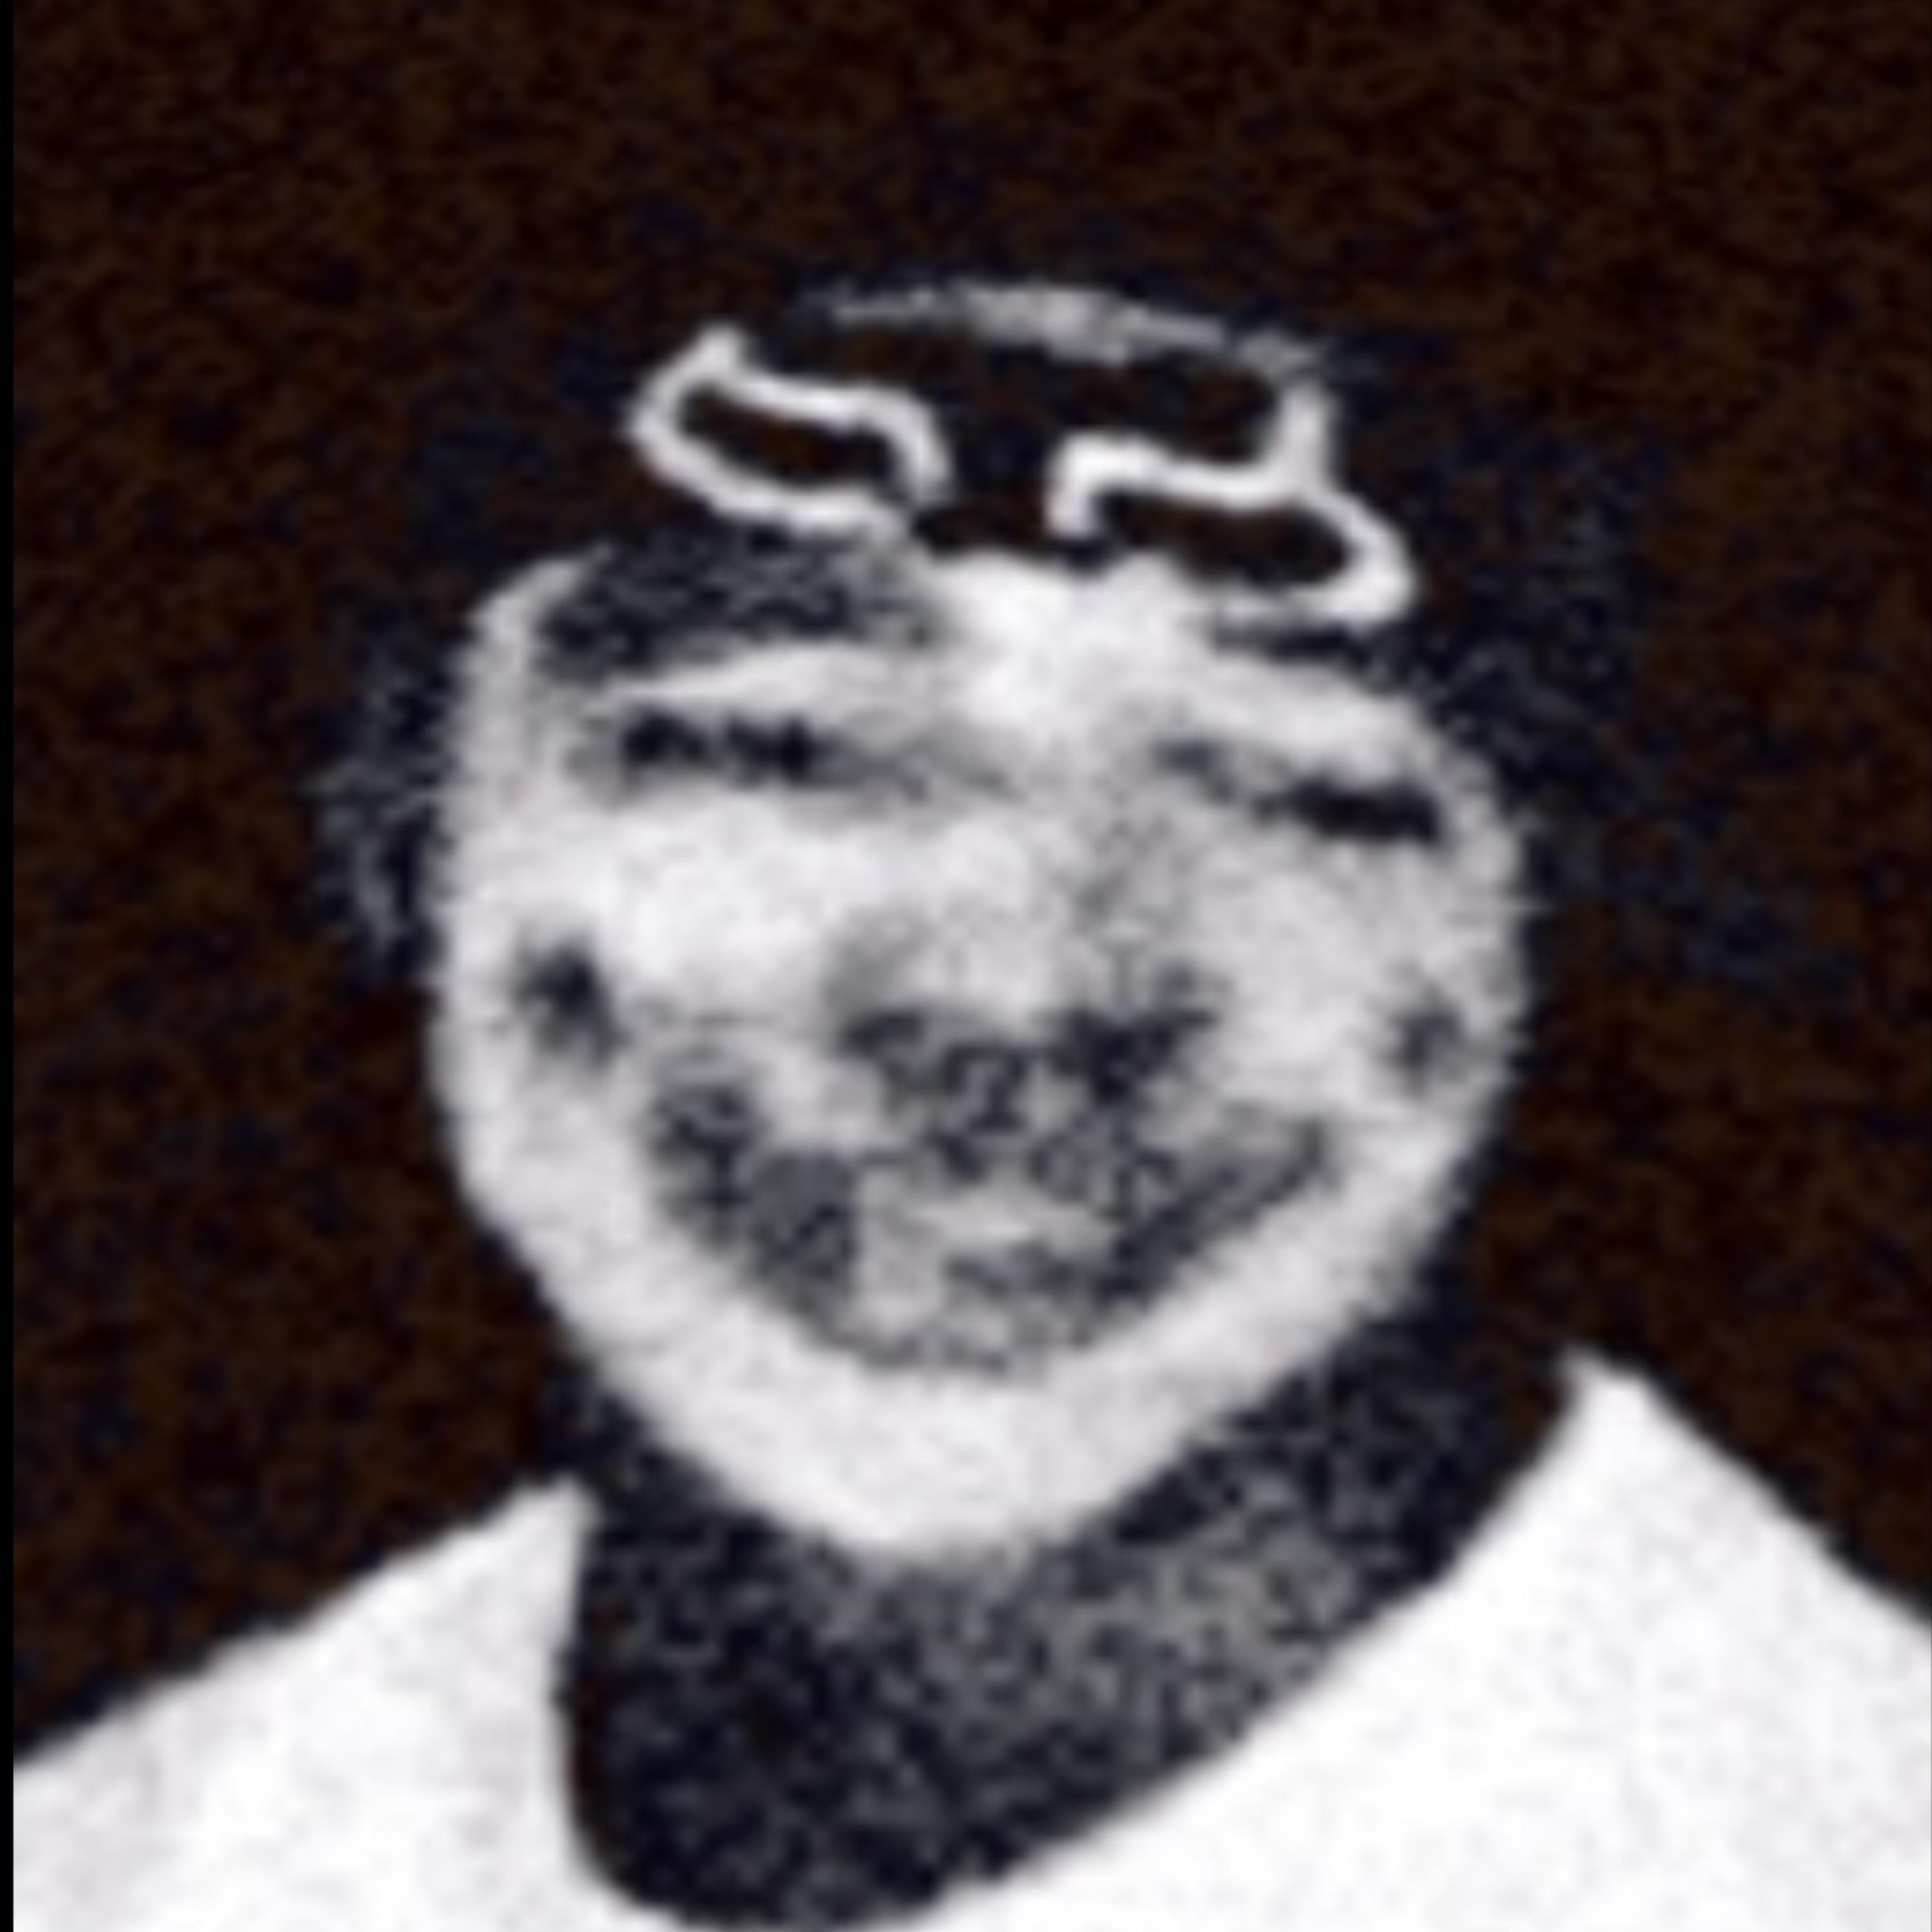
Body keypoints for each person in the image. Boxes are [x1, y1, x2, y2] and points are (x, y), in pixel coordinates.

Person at [15, 279, 1930, 1931]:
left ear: (1539, 935)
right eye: (783, 745)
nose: (1020, 991)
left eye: (1303, 785)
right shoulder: (170, 1850)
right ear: (398, 826)